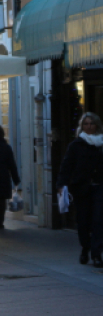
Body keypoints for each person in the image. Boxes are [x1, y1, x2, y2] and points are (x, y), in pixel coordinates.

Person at [57, 112, 103, 266]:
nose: (89, 126)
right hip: (81, 188)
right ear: (82, 126)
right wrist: (61, 184)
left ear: (97, 125)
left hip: (99, 187)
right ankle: (85, 248)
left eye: (92, 123)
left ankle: (97, 254)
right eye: (86, 124)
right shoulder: (76, 145)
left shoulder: (101, 144)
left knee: (98, 220)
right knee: (82, 222)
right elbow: (66, 166)